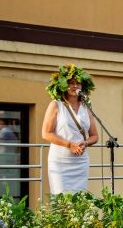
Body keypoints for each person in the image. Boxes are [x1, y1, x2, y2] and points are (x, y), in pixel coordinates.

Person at [41, 63, 99, 195]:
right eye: (71, 83)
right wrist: (69, 145)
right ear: (62, 85)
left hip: (80, 161)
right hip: (60, 161)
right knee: (62, 202)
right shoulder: (56, 105)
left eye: (78, 83)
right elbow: (46, 134)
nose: (75, 86)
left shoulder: (86, 107)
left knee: (79, 202)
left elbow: (94, 136)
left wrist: (85, 143)